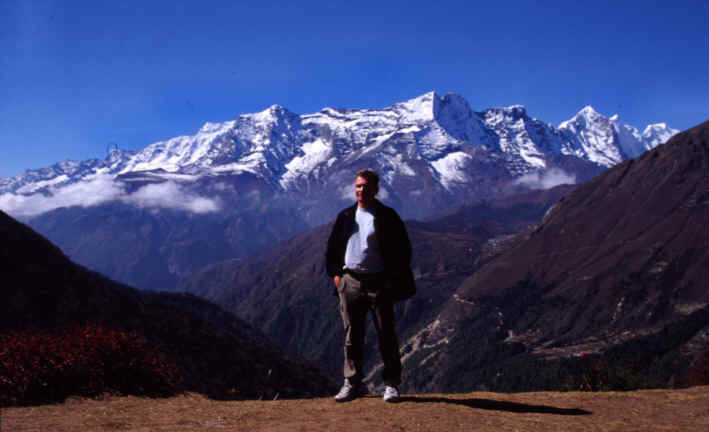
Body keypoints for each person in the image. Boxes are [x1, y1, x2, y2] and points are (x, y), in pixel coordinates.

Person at [325, 169, 413, 403]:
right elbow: (332, 248)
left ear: (376, 189)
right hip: (350, 281)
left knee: (386, 335)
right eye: (358, 186)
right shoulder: (345, 216)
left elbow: (402, 249)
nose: (361, 190)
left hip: (379, 282)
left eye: (365, 186)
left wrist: (392, 279)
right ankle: (352, 383)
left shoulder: (386, 217)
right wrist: (337, 277)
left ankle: (392, 384)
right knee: (352, 335)